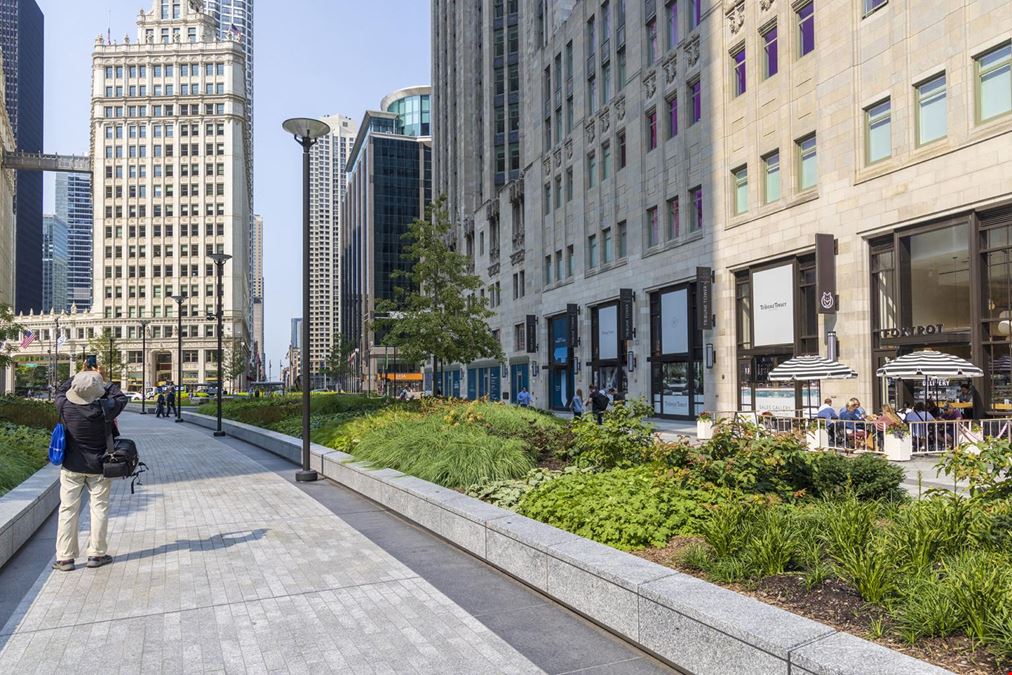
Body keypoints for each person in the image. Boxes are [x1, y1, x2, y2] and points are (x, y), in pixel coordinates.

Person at [52, 362, 128, 571]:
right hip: (100, 467)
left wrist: (82, 374)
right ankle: (96, 554)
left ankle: (65, 558)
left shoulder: (64, 406)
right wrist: (100, 378)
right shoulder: (106, 409)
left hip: (71, 467)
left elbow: (61, 390)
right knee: (99, 508)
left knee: (67, 510)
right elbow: (121, 397)